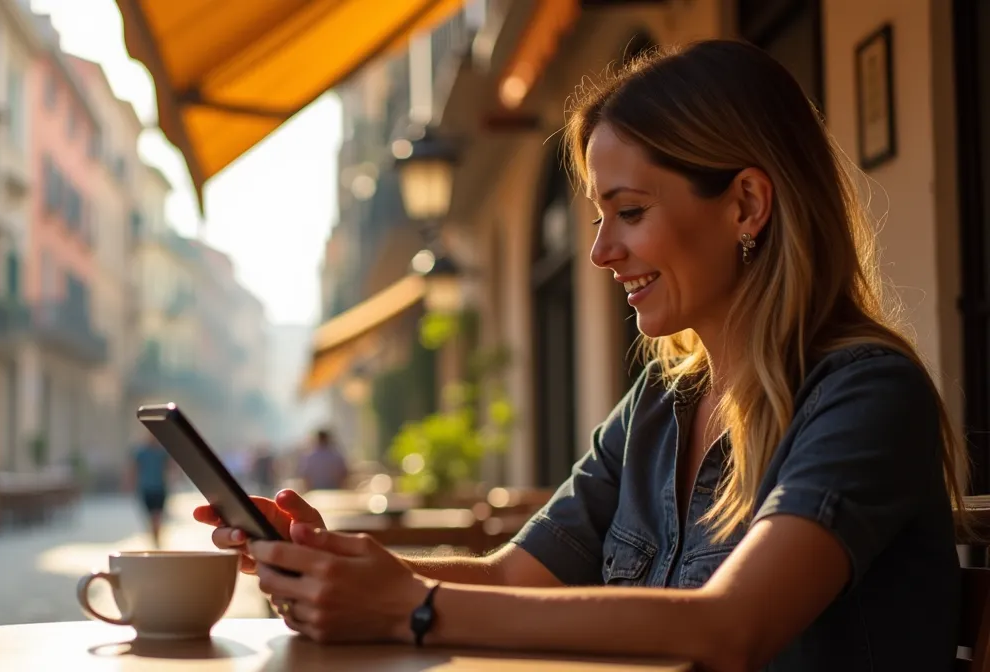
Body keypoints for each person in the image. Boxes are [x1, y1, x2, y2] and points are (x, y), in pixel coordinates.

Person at [194, 40, 966, 671]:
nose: (600, 252)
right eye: (599, 216)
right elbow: (509, 580)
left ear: (746, 205)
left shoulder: (865, 395)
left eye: (628, 212)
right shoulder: (660, 409)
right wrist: (337, 565)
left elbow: (731, 627)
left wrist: (409, 607)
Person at [129, 433, 172, 547]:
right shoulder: (141, 452)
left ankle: (156, 537)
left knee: (157, 515)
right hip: (146, 488)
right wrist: (130, 483)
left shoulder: (162, 452)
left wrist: (173, 478)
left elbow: (170, 466)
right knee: (150, 516)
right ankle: (154, 537)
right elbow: (134, 468)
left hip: (159, 488)